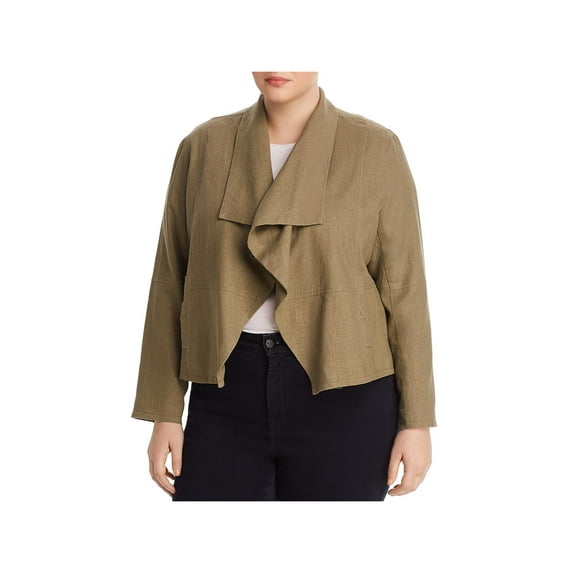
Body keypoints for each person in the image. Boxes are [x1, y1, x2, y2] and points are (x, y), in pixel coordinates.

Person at [131, 72, 437, 501]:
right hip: (223, 392)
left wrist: (416, 420)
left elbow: (404, 289)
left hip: (346, 390)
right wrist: (164, 410)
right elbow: (170, 281)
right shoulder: (203, 147)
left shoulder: (374, 148)